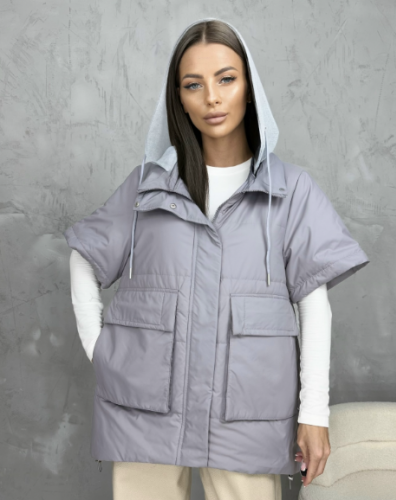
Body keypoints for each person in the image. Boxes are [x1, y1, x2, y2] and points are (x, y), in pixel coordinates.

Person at [64, 18, 369, 499]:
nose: (211, 97)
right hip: (144, 410)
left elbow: (314, 307)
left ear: (249, 89)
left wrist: (315, 412)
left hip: (246, 416)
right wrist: (99, 348)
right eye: (193, 84)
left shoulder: (290, 192)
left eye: (226, 79)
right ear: (179, 99)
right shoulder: (147, 187)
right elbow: (84, 254)